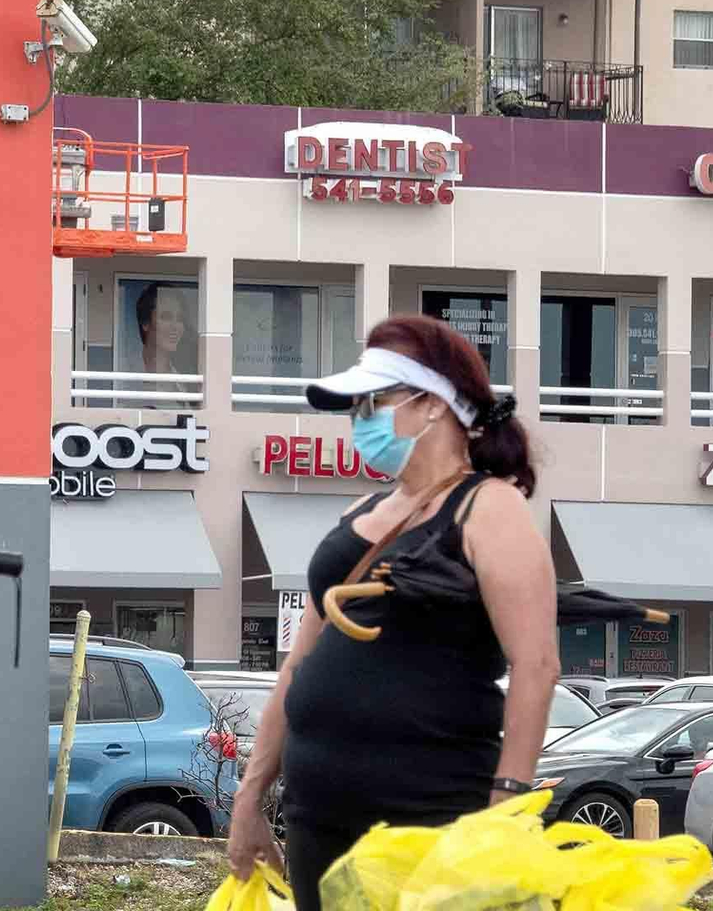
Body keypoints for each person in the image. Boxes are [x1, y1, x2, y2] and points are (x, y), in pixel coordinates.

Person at [226, 315, 559, 911]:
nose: (360, 421)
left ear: (431, 405)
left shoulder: (490, 507)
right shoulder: (366, 509)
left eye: (372, 403)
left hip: (427, 814)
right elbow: (297, 668)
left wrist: (505, 808)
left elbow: (536, 665)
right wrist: (251, 798)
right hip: (318, 813)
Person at [120, 283, 193, 408]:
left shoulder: (181, 382)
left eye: (180, 319)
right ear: (145, 323)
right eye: (166, 317)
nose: (175, 327)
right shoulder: (125, 370)